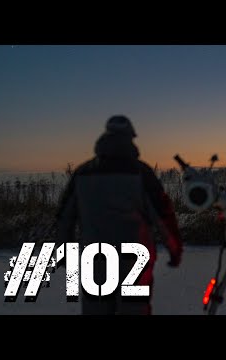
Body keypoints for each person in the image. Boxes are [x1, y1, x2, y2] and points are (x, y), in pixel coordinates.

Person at [56, 115, 183, 315]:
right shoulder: (142, 173)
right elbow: (163, 215)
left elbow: (65, 218)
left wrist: (64, 253)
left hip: (94, 261)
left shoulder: (83, 173)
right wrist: (175, 250)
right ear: (131, 138)